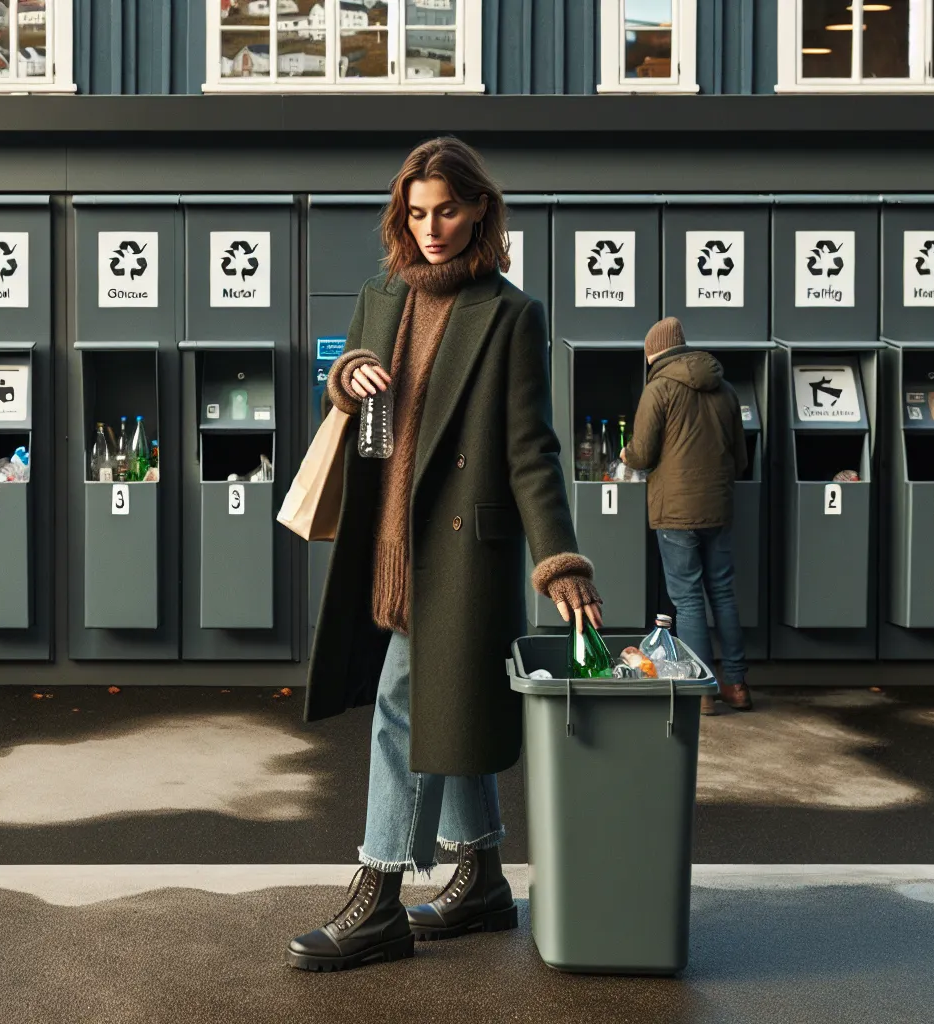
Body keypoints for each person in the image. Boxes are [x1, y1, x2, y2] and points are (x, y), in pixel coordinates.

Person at [289, 137, 603, 972]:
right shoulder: (381, 295)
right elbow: (366, 411)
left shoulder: (509, 314)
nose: (433, 228)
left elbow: (530, 448)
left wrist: (561, 559)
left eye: (450, 210)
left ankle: (378, 896)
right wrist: (345, 377)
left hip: (460, 550)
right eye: (419, 213)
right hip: (386, 539)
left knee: (406, 706)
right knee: (450, 708)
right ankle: (484, 879)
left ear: (479, 212)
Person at [621, 316, 751, 716]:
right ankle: (736, 684)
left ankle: (702, 690)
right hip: (718, 508)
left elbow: (642, 454)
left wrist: (626, 454)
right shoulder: (726, 389)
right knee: (723, 593)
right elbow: (741, 460)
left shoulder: (657, 388)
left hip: (676, 513)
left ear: (653, 353)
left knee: (688, 600)